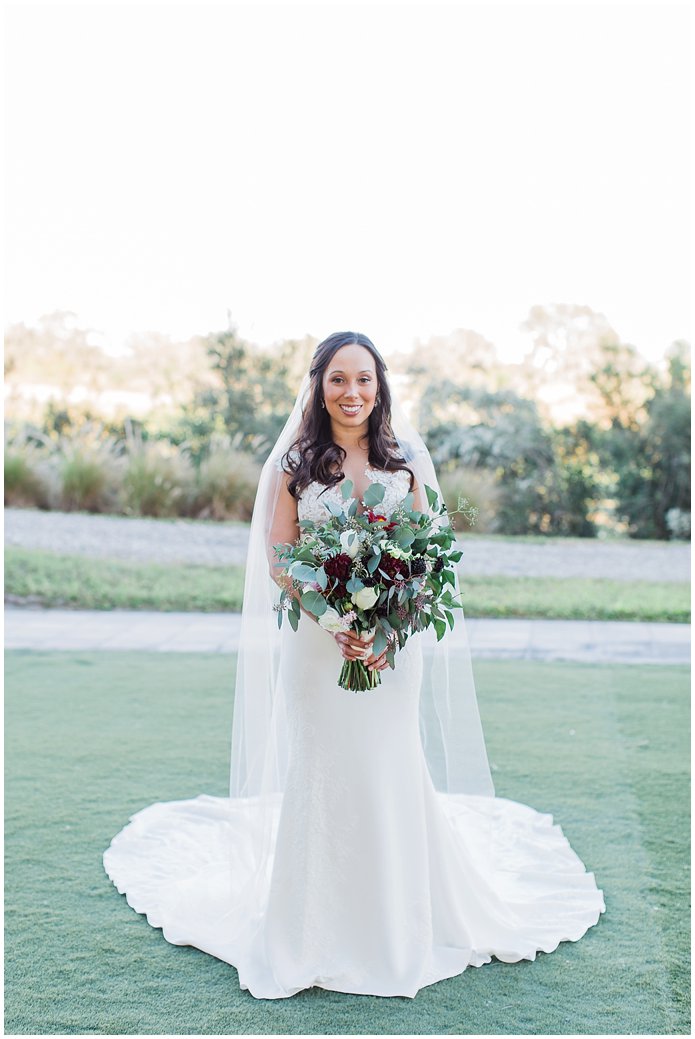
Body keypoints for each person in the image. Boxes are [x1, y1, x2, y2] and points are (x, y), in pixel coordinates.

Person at [103, 331, 605, 1000]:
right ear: (317, 385)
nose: (352, 392)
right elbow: (280, 557)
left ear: (380, 386)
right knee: (325, 768)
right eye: (338, 379)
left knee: (386, 762)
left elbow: (425, 557)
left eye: (363, 379)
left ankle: (399, 919)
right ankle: (311, 928)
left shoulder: (405, 461)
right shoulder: (294, 463)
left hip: (393, 651)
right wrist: (336, 615)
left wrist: (388, 631)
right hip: (317, 646)